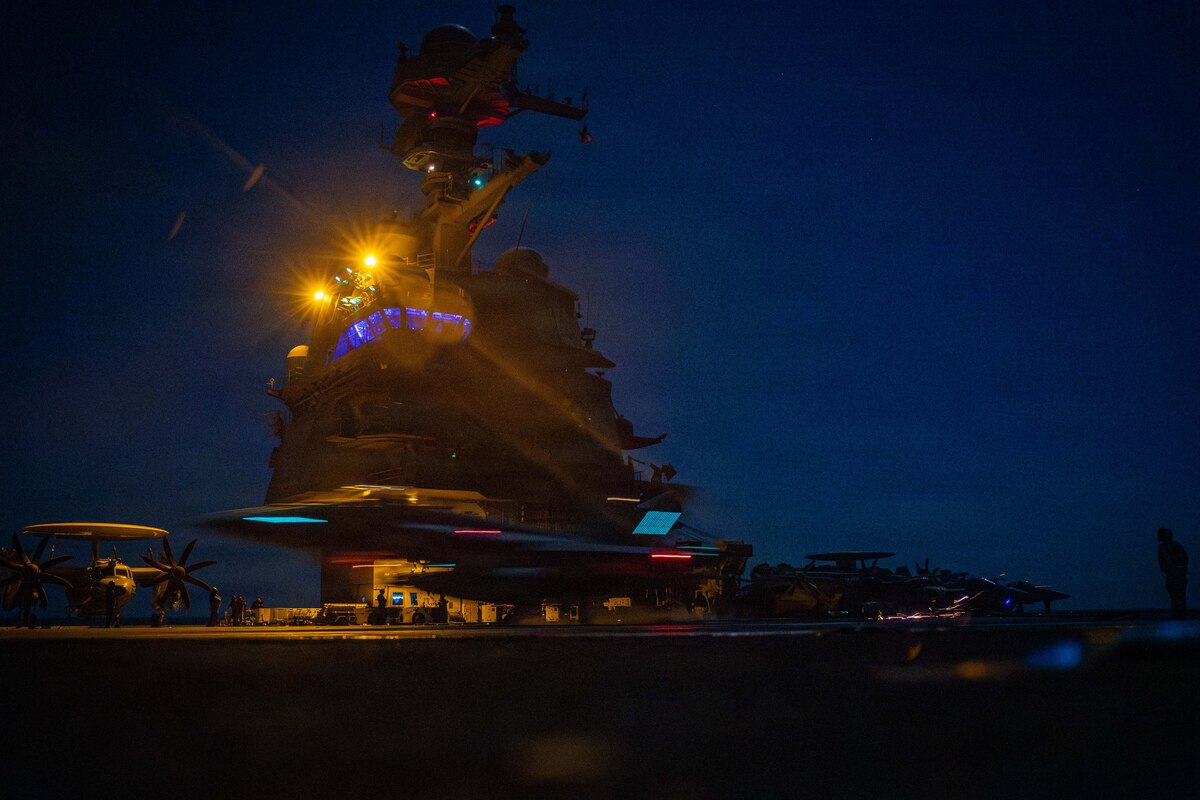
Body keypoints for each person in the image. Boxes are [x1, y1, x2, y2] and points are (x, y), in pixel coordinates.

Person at [1158, 528, 1189, 620]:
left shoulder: (1175, 546)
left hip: (1177, 574)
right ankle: (1177, 613)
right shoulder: (1163, 547)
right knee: (1174, 594)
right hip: (1172, 574)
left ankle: (1180, 614)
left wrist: (1179, 568)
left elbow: (1184, 557)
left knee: (1179, 594)